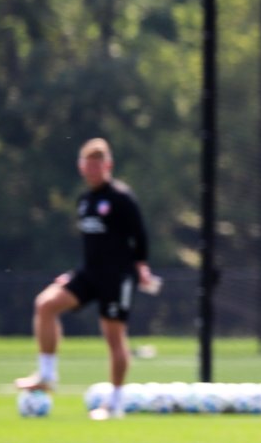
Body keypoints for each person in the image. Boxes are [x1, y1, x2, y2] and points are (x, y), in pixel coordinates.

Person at [14, 138, 157, 420]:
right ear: (81, 167)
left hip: (117, 278)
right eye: (87, 165)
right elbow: (94, 245)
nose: (92, 171)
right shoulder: (84, 201)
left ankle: (115, 404)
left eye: (97, 165)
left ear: (108, 166)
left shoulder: (121, 198)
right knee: (46, 304)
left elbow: (139, 236)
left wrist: (141, 267)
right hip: (89, 274)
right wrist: (75, 274)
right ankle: (47, 375)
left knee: (114, 338)